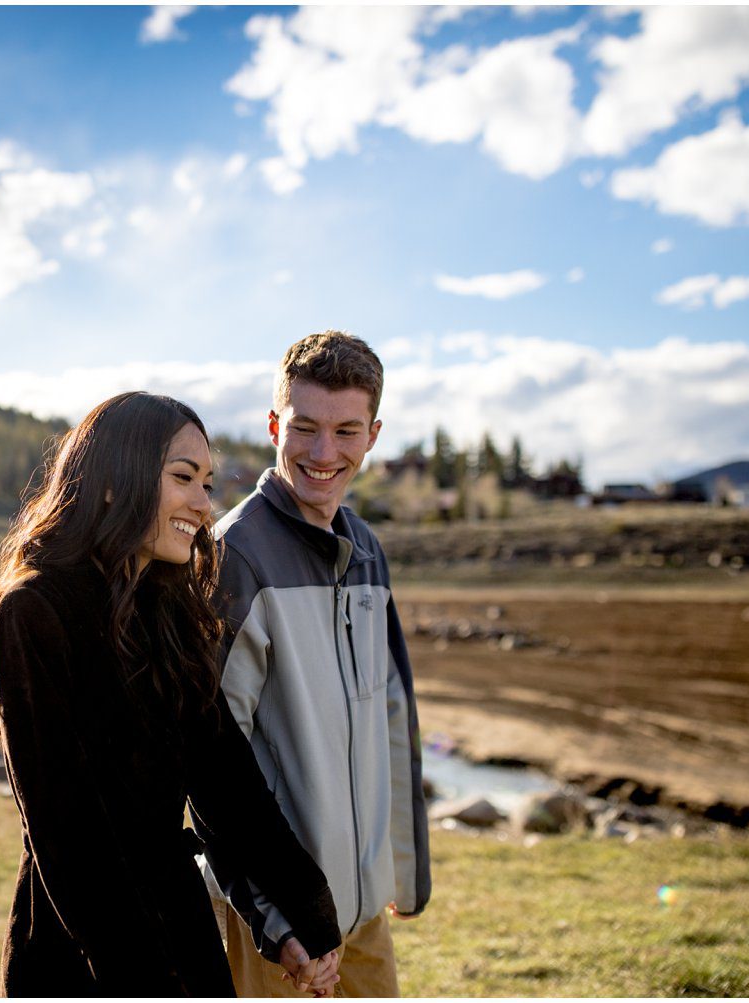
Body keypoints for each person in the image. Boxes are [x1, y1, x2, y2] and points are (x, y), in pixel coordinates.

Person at [0, 391, 345, 997]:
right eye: (183, 477)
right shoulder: (34, 612)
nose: (203, 503)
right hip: (82, 952)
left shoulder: (168, 615)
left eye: (207, 484)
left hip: (180, 928)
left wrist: (306, 916)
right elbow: (67, 836)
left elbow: (228, 783)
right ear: (115, 482)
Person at [197, 331, 431, 997]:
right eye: (304, 428)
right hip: (279, 923)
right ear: (275, 425)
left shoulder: (367, 550)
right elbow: (212, 763)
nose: (324, 453)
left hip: (362, 911)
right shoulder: (233, 557)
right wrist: (278, 922)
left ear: (373, 435)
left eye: (346, 430)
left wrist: (402, 871)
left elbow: (391, 715)